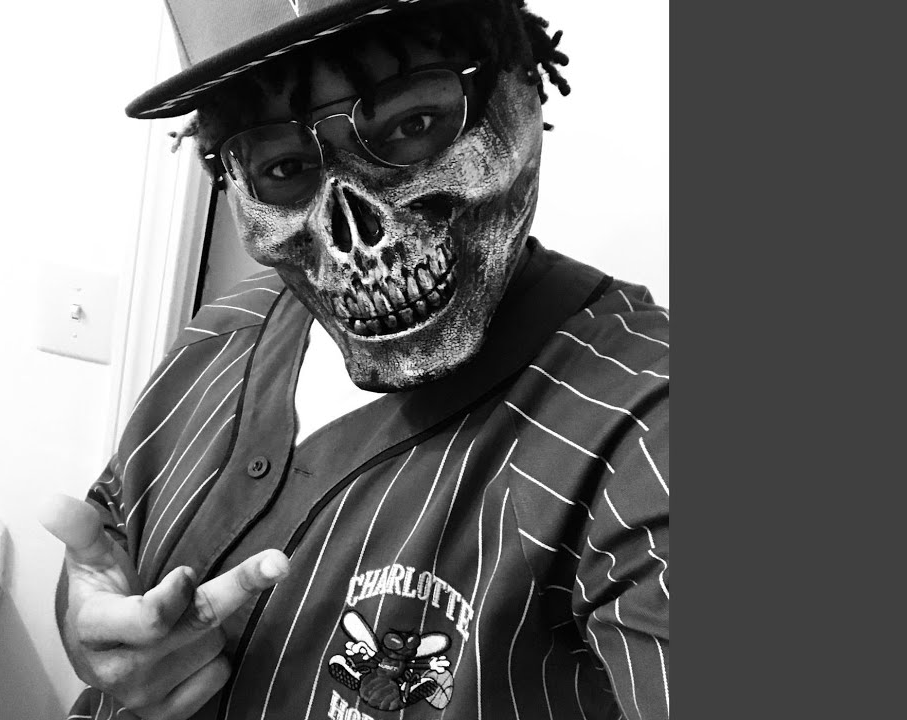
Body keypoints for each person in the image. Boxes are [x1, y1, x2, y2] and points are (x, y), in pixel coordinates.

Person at [40, 1, 669, 718]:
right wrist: (91, 626)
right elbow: (111, 541)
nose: (354, 232)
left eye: (413, 124)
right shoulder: (221, 332)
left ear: (523, 90)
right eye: (284, 167)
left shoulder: (646, 418)